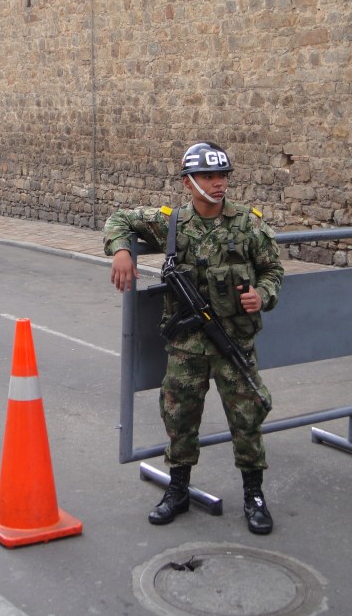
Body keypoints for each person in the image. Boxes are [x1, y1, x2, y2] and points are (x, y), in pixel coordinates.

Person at [103, 141, 283, 534]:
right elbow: (118, 219)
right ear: (189, 182)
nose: (218, 184)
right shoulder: (171, 223)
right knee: (179, 417)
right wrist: (121, 251)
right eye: (208, 176)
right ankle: (178, 489)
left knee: (247, 417)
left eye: (223, 176)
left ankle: (254, 494)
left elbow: (273, 271)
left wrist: (262, 296)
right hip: (187, 347)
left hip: (233, 341)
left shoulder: (248, 224)